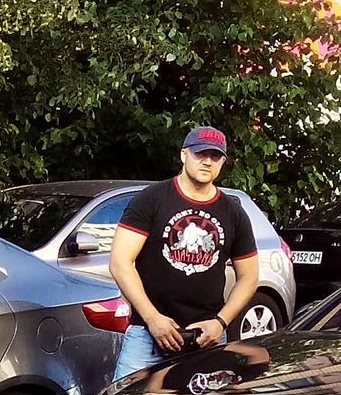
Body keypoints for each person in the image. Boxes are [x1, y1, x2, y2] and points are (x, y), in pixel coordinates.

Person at [108, 126, 265, 380]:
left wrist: (221, 322)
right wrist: (152, 318)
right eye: (200, 154)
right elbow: (120, 262)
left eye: (215, 156)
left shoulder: (233, 212)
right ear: (184, 155)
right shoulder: (152, 199)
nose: (207, 161)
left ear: (223, 162)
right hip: (147, 335)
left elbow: (249, 277)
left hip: (207, 337)